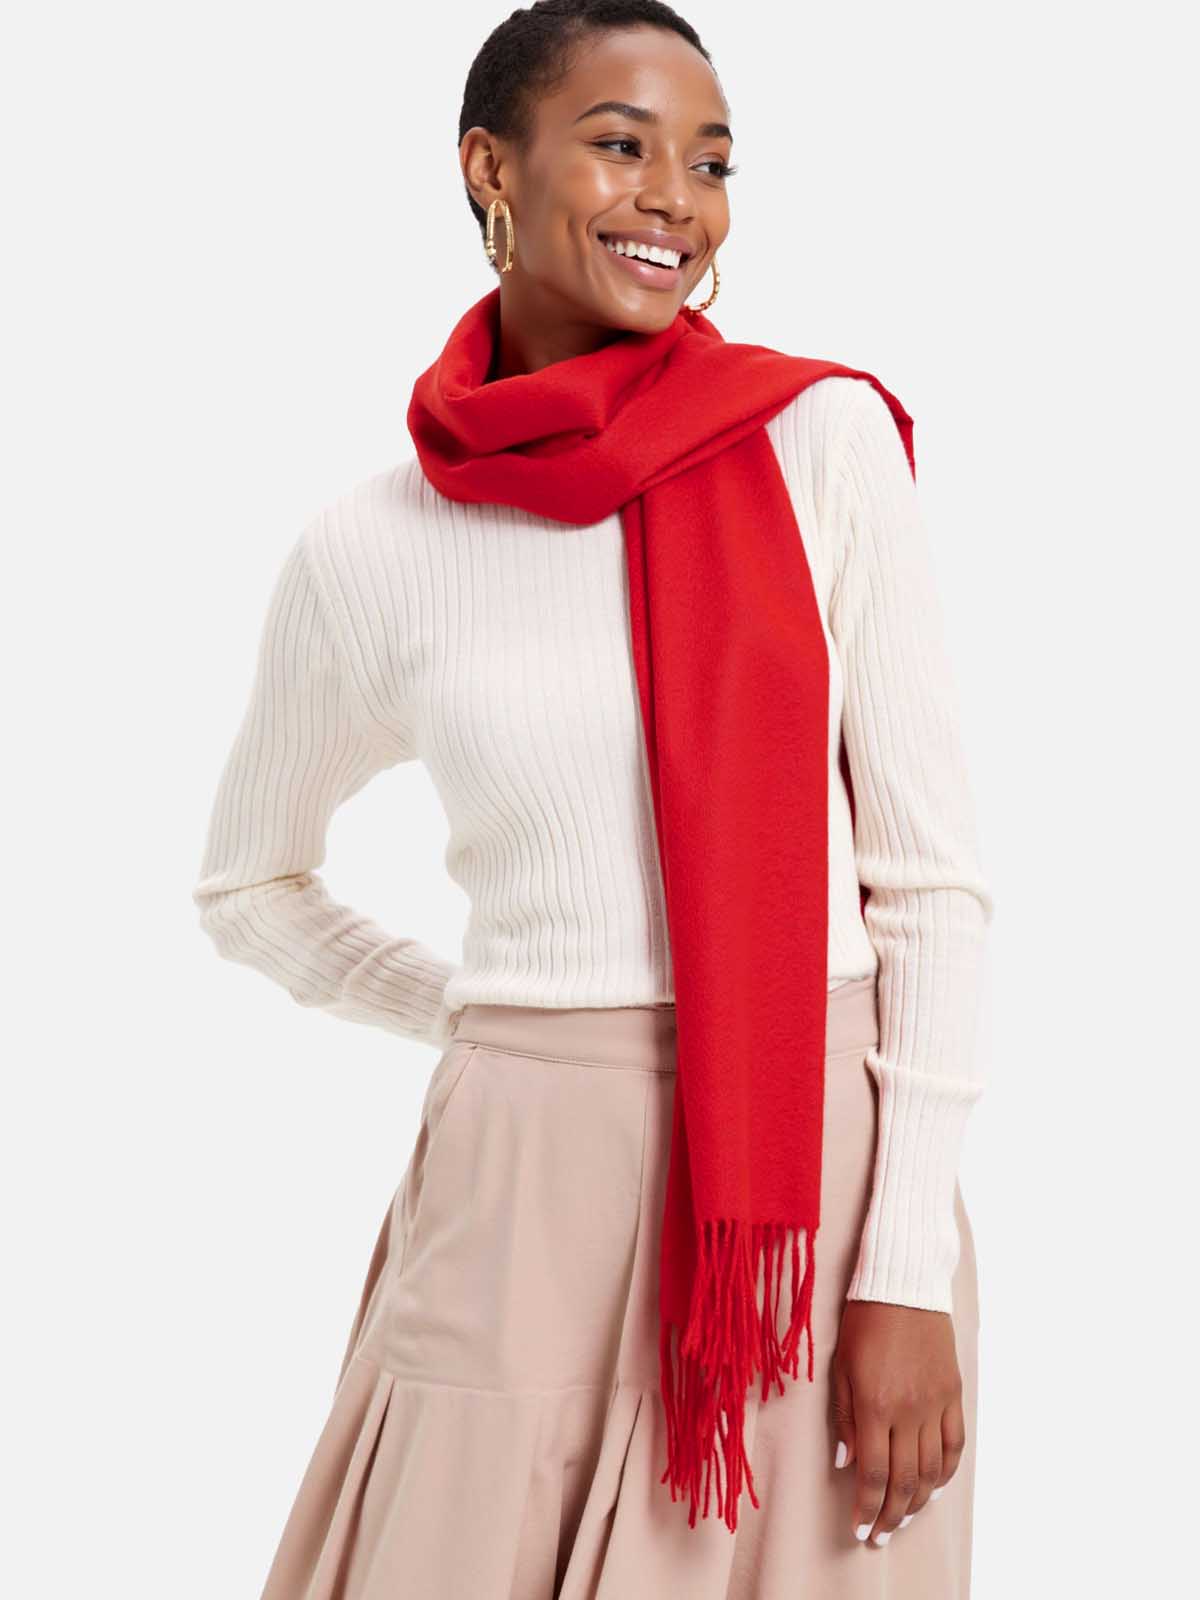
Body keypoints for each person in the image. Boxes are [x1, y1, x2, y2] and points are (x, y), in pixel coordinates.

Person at [191, 2, 993, 1594]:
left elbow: (930, 889)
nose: (674, 200)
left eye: (711, 162)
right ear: (491, 168)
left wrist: (904, 1271)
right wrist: (487, 1022)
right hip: (519, 1182)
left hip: (808, 1185)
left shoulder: (818, 442)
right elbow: (249, 887)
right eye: (622, 145)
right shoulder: (371, 548)